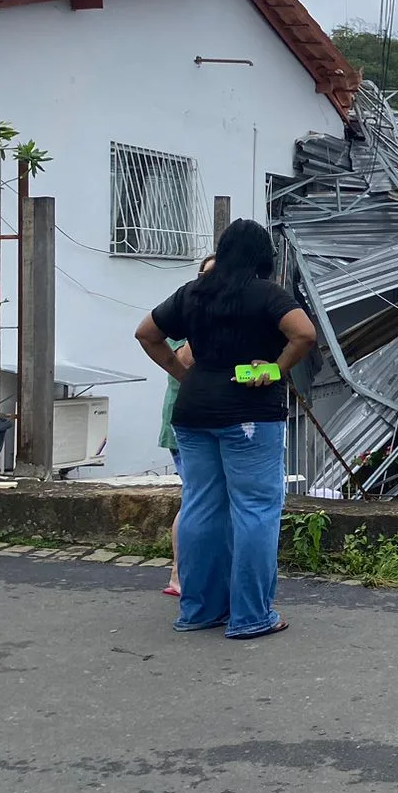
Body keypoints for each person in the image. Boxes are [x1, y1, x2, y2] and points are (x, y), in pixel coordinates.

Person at [135, 220, 316, 639]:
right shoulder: (265, 293)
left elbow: (147, 333)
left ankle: (198, 610)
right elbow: (303, 334)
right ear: (262, 256)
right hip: (249, 413)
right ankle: (251, 616)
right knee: (255, 510)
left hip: (194, 412)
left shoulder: (193, 292)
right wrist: (274, 369)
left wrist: (182, 372)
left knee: (201, 506)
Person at [159, 255, 215, 598]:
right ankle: (179, 575)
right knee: (195, 498)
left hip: (202, 421)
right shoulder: (190, 313)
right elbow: (181, 361)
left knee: (196, 497)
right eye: (209, 274)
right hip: (185, 424)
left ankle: (188, 572)